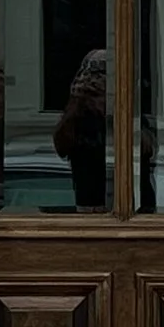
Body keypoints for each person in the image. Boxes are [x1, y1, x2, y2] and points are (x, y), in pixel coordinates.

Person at [53, 45, 111, 210]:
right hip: (89, 208)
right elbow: (62, 146)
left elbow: (147, 148)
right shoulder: (77, 115)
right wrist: (80, 102)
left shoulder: (126, 111)